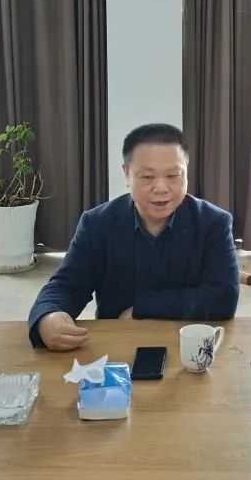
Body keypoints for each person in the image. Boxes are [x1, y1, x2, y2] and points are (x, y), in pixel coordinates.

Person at [28, 123, 239, 351]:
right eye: (147, 176)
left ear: (186, 172)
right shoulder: (97, 224)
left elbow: (223, 298)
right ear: (127, 174)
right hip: (117, 346)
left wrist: (143, 307)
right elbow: (66, 286)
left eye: (173, 175)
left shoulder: (213, 223)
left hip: (190, 346)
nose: (161, 188)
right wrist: (48, 316)